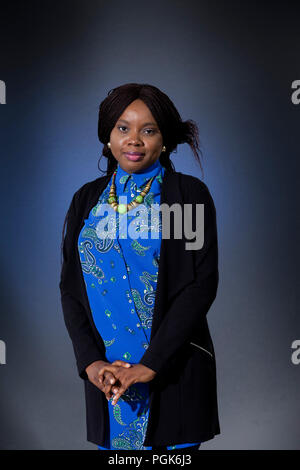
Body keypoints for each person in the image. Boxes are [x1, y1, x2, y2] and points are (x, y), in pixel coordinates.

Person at [59, 83, 220, 451]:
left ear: (163, 139)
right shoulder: (86, 199)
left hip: (173, 375)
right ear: (108, 136)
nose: (134, 140)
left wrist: (152, 364)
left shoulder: (188, 196)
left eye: (148, 130)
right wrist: (92, 363)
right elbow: (70, 288)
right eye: (123, 128)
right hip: (108, 382)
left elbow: (200, 284)